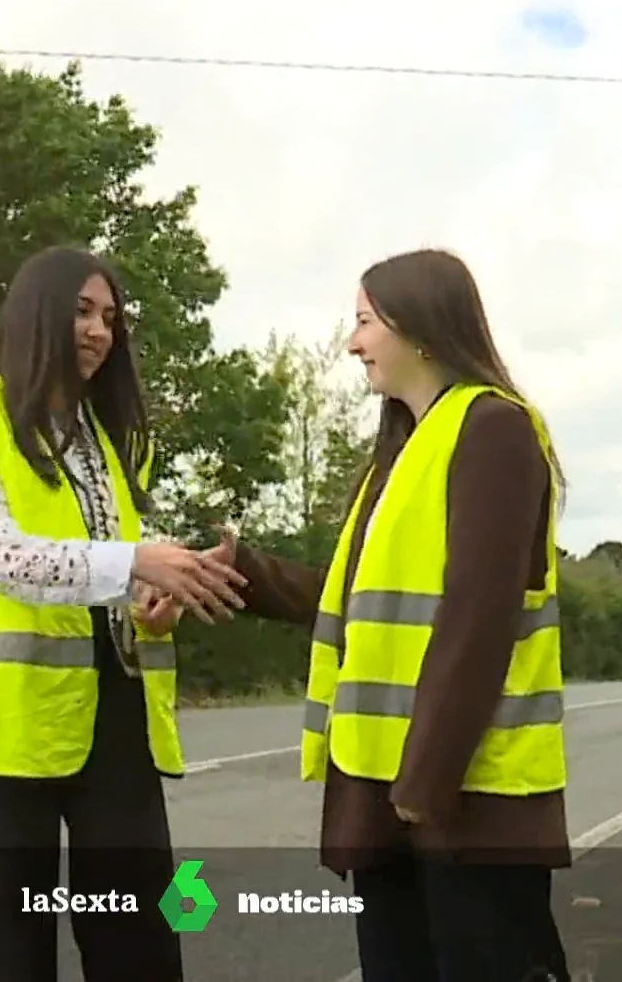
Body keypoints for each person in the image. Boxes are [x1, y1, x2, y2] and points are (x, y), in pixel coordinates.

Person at [147, 248, 573, 981]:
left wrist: (425, 785)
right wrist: (230, 571)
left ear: (422, 328)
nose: (352, 343)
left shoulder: (492, 430)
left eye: (365, 322)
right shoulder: (400, 452)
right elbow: (348, 600)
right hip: (391, 793)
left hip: (464, 798)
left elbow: (478, 620)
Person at [0, 245, 249, 982]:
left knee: (142, 939)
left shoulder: (113, 439)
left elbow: (109, 565)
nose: (99, 331)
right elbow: (1, 556)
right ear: (36, 316)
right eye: (82, 312)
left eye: (111, 318)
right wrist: (135, 564)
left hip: (114, 707)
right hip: (7, 724)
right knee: (16, 949)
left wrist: (156, 600)